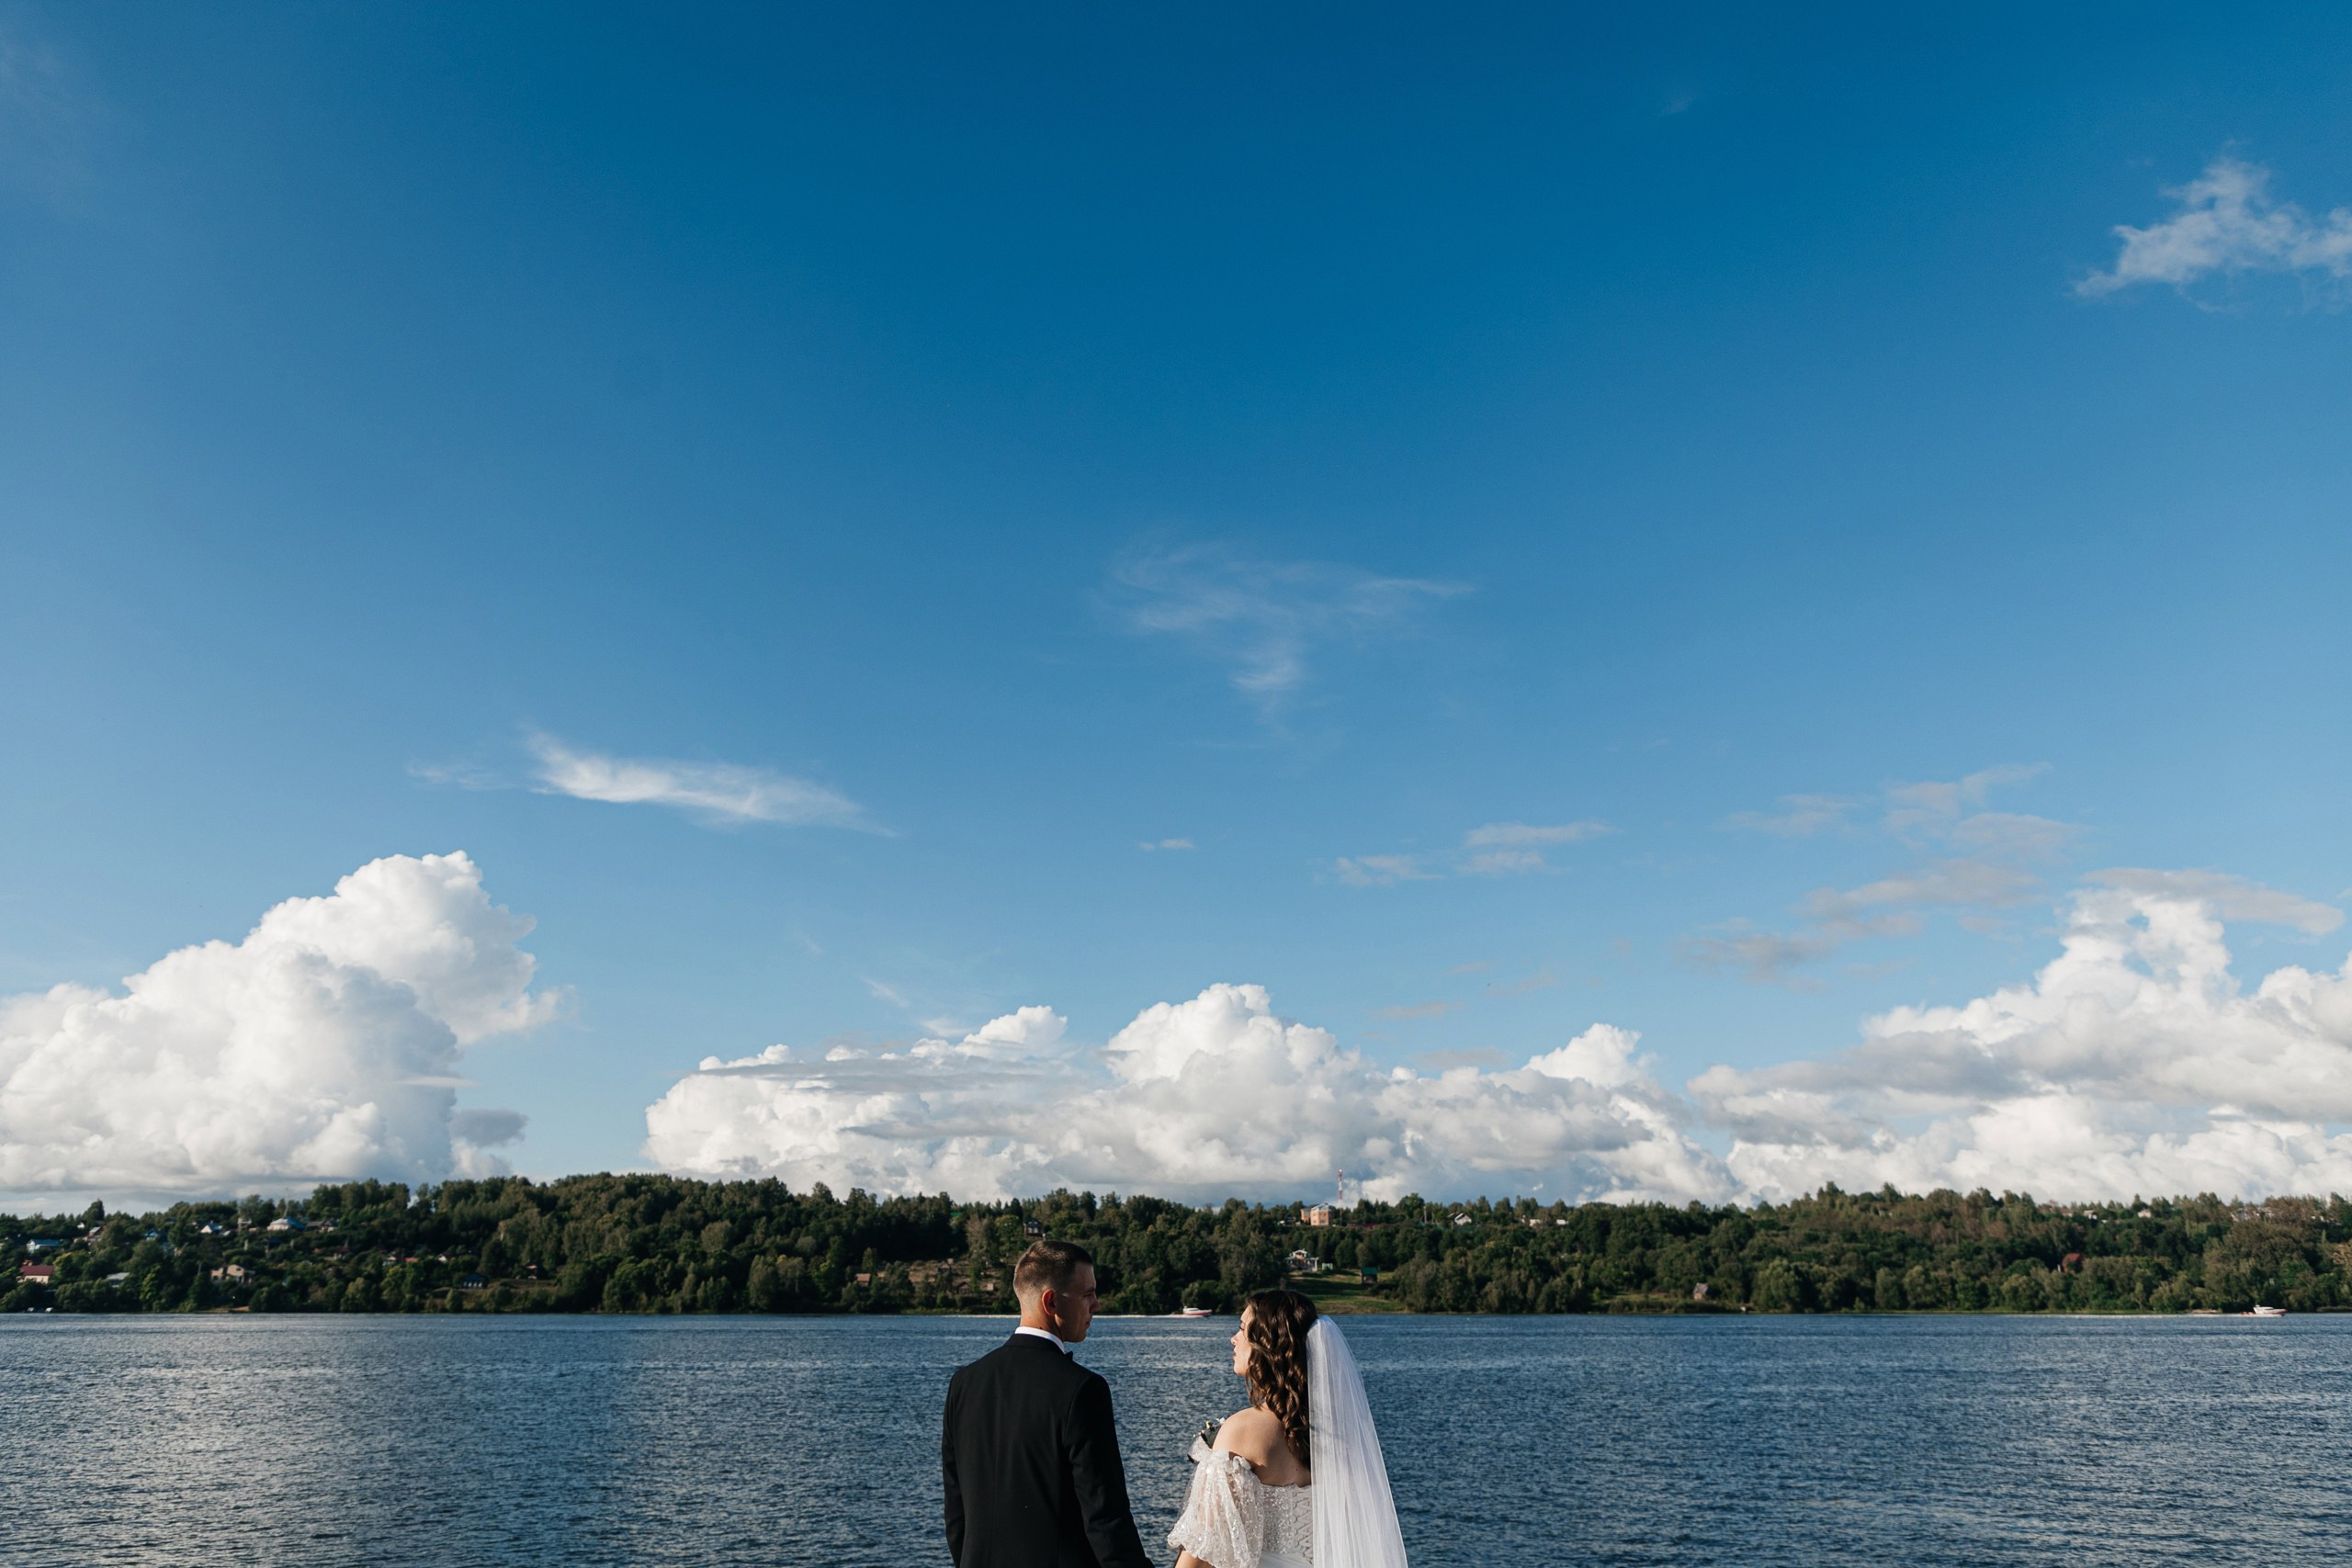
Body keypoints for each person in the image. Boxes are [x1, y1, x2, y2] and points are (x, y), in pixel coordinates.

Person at [942, 1238, 1154, 1568]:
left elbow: (957, 1517)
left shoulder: (964, 1383)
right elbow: (1105, 1519)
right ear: (1051, 1301)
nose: (1096, 1305)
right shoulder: (1083, 1389)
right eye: (1087, 1294)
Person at [1169, 1290, 1409, 1568]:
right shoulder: (1338, 1433)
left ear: (1268, 1344)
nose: (1233, 1339)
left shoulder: (1244, 1430)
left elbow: (1203, 1553)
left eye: (1242, 1329)